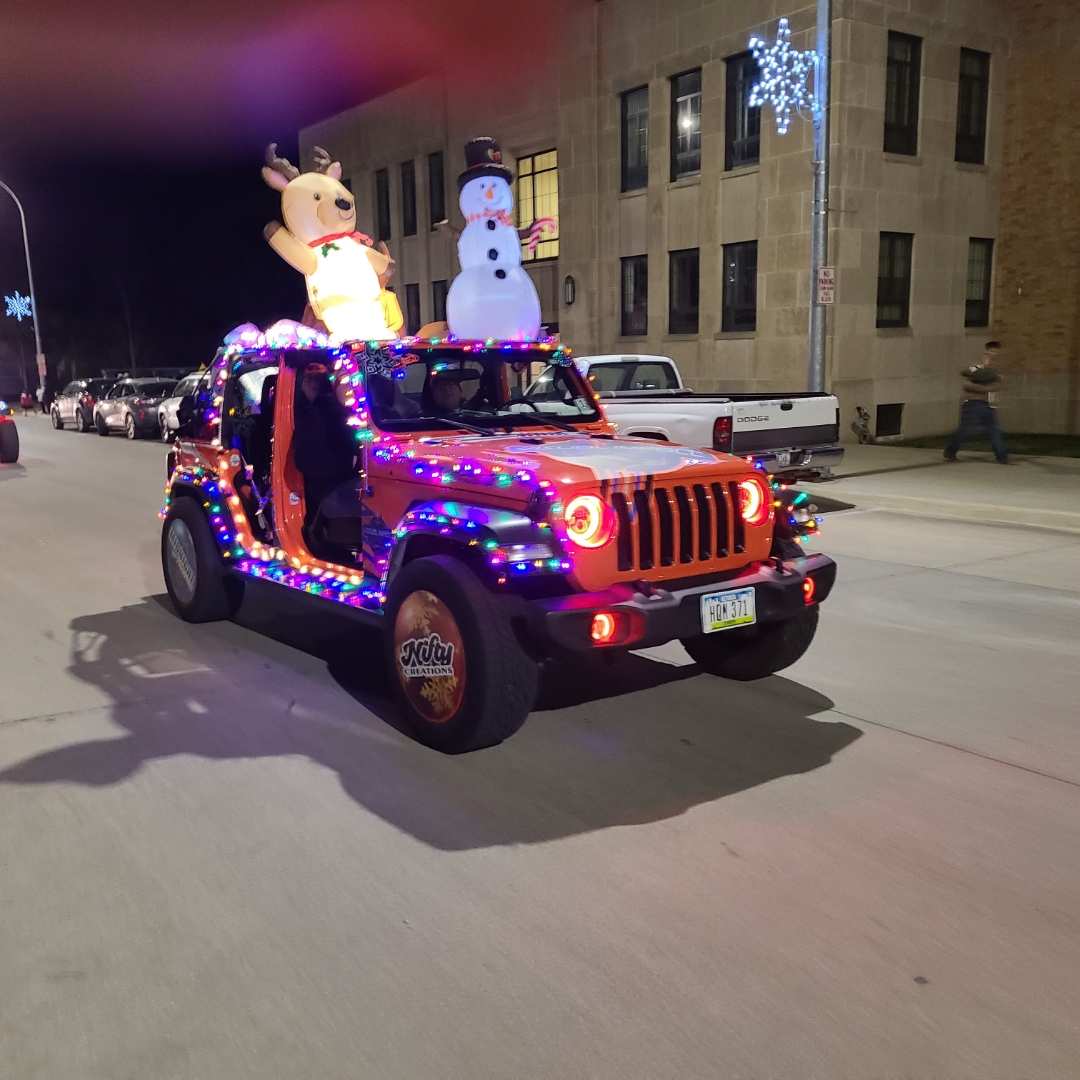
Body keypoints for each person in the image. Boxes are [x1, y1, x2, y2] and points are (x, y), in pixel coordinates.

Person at [292, 363, 357, 528]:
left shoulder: (327, 416)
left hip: (329, 491)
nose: (312, 385)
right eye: (308, 380)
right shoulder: (304, 413)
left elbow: (305, 461)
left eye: (317, 380)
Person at [944, 341, 1009, 464]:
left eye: (997, 351)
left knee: (994, 430)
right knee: (965, 430)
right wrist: (988, 388)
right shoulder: (976, 368)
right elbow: (967, 385)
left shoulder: (993, 371)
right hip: (973, 403)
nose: (994, 355)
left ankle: (1002, 457)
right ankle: (950, 451)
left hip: (987, 404)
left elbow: (999, 385)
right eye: (993, 351)